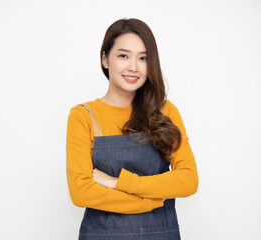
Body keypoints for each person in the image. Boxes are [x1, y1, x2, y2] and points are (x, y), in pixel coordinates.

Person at [66, 18, 199, 240]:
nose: (134, 67)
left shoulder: (166, 112)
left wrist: (116, 182)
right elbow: (82, 192)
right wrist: (150, 201)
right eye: (123, 56)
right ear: (105, 59)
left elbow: (188, 180)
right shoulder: (83, 116)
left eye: (143, 58)